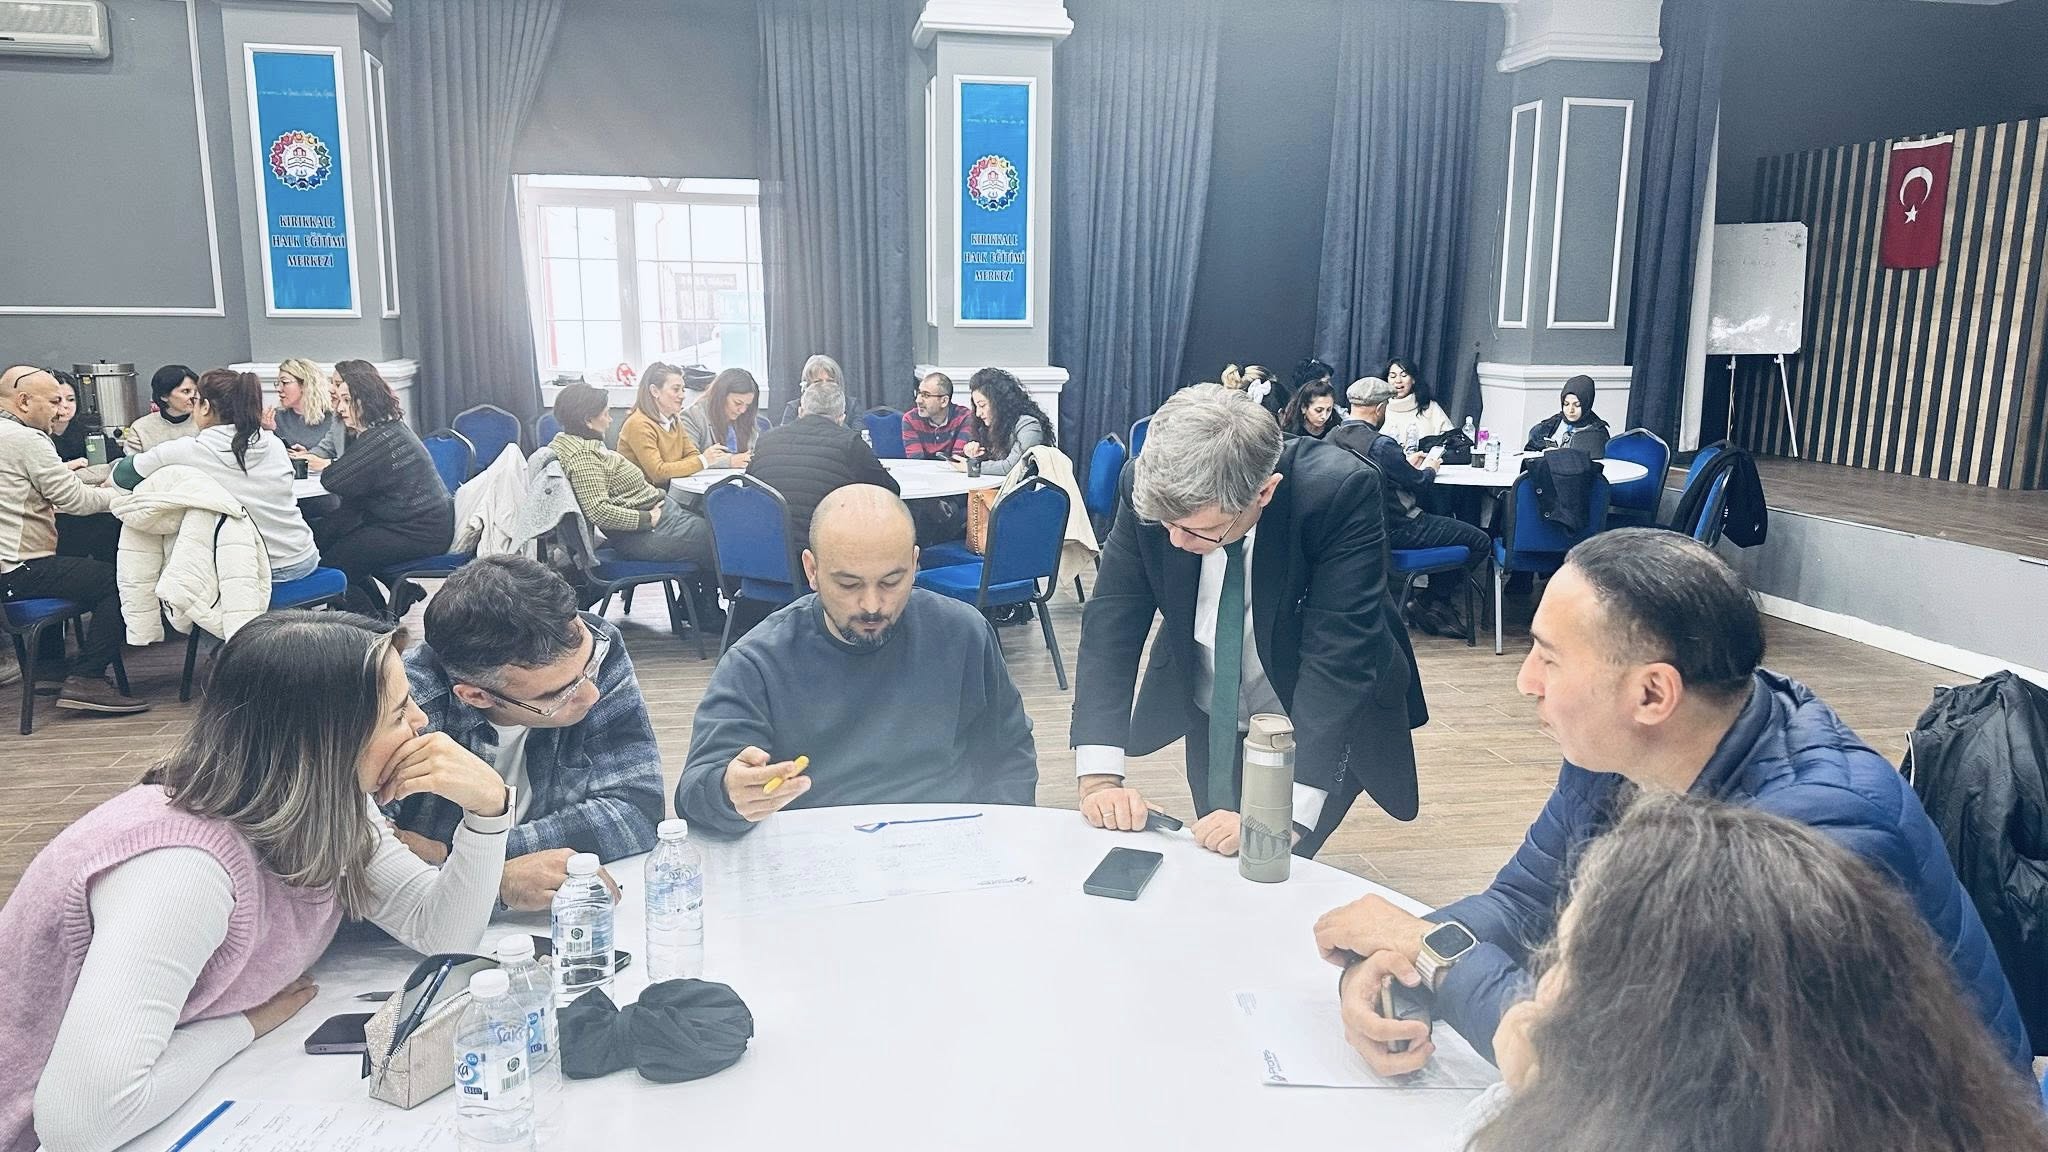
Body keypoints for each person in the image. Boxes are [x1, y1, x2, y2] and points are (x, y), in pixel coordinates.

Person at [1313, 528, 2031, 1076]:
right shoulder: (1635, 743)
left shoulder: (1816, 837)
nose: (1526, 681)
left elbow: (1599, 1066)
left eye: (1549, 658)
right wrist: (1395, 967)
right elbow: (1522, 904)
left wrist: (1430, 951)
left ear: (1653, 692)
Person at [0, 610, 514, 1152]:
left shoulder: (329, 803)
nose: (421, 722)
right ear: (325, 740)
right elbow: (82, 1122)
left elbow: (441, 934)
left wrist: (488, 813)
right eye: (397, 713)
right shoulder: (181, 871)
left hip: (164, 1095)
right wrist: (245, 1023)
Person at [1464, 794, 2048, 1152]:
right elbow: (1517, 894)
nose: (1541, 986)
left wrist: (1539, 1099)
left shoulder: (1836, 821)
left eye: (1564, 960)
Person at [1071, 384, 1427, 857]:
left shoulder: (1339, 490)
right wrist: (1099, 775)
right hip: (1209, 704)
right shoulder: (1146, 484)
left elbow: (1339, 653)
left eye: (1199, 531)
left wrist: (1285, 815)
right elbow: (1112, 621)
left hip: (1312, 711)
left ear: (1265, 491)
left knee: (1269, 859)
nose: (1175, 543)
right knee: (1218, 848)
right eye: (1165, 525)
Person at [676, 485, 1037, 835]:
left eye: (891, 582)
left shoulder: (963, 633)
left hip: (947, 838)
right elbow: (696, 789)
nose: (872, 605)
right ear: (812, 570)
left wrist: (1001, 835)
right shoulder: (758, 661)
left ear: (914, 564)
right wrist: (728, 792)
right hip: (818, 846)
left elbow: (1010, 751)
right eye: (848, 585)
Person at [390, 556, 660, 910]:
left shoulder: (595, 647)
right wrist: (497, 883)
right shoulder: (402, 711)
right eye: (558, 695)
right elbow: (355, 871)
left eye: (590, 668)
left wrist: (454, 857)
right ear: (476, 696)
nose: (592, 694)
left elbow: (638, 810)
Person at [0, 366, 145, 714]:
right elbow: (76, 501)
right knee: (121, 580)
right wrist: (127, 496)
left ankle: (49, 670)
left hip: (9, 571)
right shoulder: (26, 439)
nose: (59, 410)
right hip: (20, 569)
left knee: (71, 561)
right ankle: (88, 678)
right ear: (23, 401)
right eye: (53, 401)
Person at [113, 368, 321, 582]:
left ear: (205, 407)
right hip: (302, 558)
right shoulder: (273, 443)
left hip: (248, 572)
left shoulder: (187, 450)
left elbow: (122, 476)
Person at [1328, 378, 1489, 638]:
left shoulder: (1331, 438)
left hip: (1358, 530)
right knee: (1479, 541)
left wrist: (1403, 464)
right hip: (1402, 527)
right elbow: (1420, 484)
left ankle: (1431, 604)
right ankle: (1433, 601)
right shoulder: (1381, 445)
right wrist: (1430, 468)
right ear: (1380, 408)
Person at [301, 361, 454, 616]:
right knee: (331, 541)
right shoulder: (386, 429)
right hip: (411, 523)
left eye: (347, 400)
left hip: (419, 530)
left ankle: (372, 623)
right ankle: (381, 612)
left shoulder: (380, 439)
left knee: (337, 563)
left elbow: (333, 479)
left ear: (366, 401)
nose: (339, 408)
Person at [550, 382, 717, 578]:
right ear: (588, 420)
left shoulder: (579, 445)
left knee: (719, 528)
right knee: (724, 539)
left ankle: (705, 596)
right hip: (645, 532)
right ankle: (727, 596)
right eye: (606, 414)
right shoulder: (584, 457)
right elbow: (598, 511)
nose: (610, 420)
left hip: (657, 520)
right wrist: (646, 519)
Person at [745, 378, 898, 549]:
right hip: (824, 550)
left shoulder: (766, 439)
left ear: (800, 411)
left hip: (765, 548)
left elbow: (748, 485)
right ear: (841, 418)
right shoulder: (851, 444)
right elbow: (890, 491)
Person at [48, 372, 121, 564]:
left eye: (71, 399)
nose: (65, 406)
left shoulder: (89, 432)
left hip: (95, 511)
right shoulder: (34, 437)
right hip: (56, 518)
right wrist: (70, 467)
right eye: (57, 400)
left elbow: (117, 462)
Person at [616, 361, 714, 486]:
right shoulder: (638, 424)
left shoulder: (675, 421)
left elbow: (693, 455)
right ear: (655, 391)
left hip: (667, 489)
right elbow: (658, 473)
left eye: (683, 390)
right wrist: (703, 461)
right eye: (676, 389)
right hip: (644, 495)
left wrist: (674, 468)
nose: (682, 396)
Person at [961, 367, 1055, 476]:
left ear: (999, 403)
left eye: (982, 405)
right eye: (976, 406)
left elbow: (1012, 467)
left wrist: (971, 466)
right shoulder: (991, 427)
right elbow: (994, 465)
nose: (978, 413)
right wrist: (975, 454)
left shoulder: (1028, 425)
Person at [678, 367, 762, 468]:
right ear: (720, 397)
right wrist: (728, 462)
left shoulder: (746, 417)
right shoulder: (692, 417)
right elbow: (688, 459)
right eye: (737, 403)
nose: (742, 410)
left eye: (747, 405)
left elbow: (753, 453)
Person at [267, 358, 342, 462]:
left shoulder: (334, 417)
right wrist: (268, 431)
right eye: (278, 383)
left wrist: (309, 456)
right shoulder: (275, 418)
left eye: (285, 382)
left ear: (305, 385)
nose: (279, 389)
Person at [118, 364, 200, 455]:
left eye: (196, 392)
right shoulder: (141, 428)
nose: (194, 397)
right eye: (186, 391)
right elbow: (131, 462)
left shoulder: (206, 423)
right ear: (164, 396)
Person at [1523, 373, 1610, 458]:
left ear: (1586, 404)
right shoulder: (1551, 424)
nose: (1570, 410)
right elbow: (1531, 451)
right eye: (1566, 404)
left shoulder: (1597, 431)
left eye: (1577, 405)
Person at [900, 371, 979, 460]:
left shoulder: (965, 417)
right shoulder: (910, 419)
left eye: (926, 395)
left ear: (944, 401)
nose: (918, 400)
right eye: (919, 393)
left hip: (952, 468)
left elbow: (957, 459)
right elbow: (916, 461)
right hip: (923, 468)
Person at [1378, 356, 1453, 447]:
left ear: (1413, 379)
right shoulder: (1380, 408)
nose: (1398, 380)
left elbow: (1450, 439)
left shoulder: (1429, 407)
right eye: (1393, 376)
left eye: (1404, 375)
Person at [778, 352, 842, 426]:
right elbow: (786, 431)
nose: (825, 385)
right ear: (807, 385)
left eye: (830, 381)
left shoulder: (850, 406)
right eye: (818, 382)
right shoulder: (794, 407)